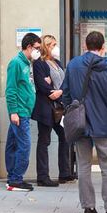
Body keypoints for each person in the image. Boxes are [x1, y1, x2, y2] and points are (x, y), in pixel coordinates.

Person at [61, 31, 107, 213]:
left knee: (84, 165)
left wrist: (71, 109)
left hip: (80, 123)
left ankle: (88, 208)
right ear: (103, 47)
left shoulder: (73, 64)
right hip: (103, 123)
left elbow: (65, 93)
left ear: (85, 46)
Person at [31, 35, 74, 187]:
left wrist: (59, 91)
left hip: (59, 107)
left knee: (65, 137)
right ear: (46, 46)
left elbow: (65, 82)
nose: (56, 47)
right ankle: (43, 177)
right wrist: (51, 89)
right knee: (44, 140)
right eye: (53, 44)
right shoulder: (39, 64)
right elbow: (42, 85)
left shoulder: (57, 62)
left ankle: (65, 173)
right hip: (46, 108)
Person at [5, 33, 41, 191]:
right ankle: (16, 179)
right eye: (37, 48)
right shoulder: (16, 63)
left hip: (24, 110)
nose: (39, 51)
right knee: (24, 146)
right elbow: (11, 89)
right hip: (19, 112)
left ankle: (12, 177)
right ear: (29, 47)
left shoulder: (27, 62)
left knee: (13, 144)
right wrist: (13, 111)